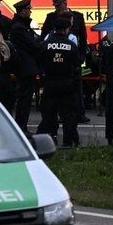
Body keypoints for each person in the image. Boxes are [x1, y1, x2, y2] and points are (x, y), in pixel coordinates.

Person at [38, 15, 81, 148]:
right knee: (68, 114)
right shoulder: (71, 45)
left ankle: (49, 140)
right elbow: (78, 62)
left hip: (49, 83)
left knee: (49, 113)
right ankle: (69, 141)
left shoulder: (45, 45)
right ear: (67, 29)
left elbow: (38, 61)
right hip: (67, 84)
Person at [9, 0, 44, 131]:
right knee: (25, 99)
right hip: (25, 67)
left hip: (25, 66)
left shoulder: (21, 26)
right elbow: (33, 45)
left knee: (25, 98)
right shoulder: (19, 28)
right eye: (29, 9)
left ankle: (21, 125)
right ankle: (21, 126)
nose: (30, 11)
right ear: (23, 11)